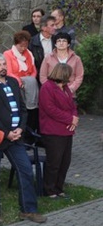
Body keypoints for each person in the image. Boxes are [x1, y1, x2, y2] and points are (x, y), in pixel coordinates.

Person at [0, 53, 47, 224]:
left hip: (16, 137)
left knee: (25, 170)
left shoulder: (12, 82)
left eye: (4, 64)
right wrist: (5, 132)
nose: (2, 67)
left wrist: (20, 129)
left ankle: (29, 210)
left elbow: (23, 109)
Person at [39, 63, 78, 198]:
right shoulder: (47, 88)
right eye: (69, 74)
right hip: (53, 130)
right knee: (54, 162)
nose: (71, 77)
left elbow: (72, 105)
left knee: (65, 161)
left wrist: (75, 117)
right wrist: (70, 119)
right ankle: (49, 189)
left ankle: (58, 187)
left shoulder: (66, 88)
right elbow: (50, 109)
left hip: (66, 130)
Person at [4, 30, 40, 133]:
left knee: (31, 82)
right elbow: (9, 72)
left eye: (25, 46)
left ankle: (32, 111)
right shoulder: (8, 54)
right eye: (21, 46)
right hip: (16, 82)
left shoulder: (29, 54)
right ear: (16, 44)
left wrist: (31, 80)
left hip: (29, 83)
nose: (23, 48)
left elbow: (33, 70)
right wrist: (20, 82)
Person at [39, 32, 83, 96]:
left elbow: (79, 76)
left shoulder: (76, 59)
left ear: (68, 44)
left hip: (69, 93)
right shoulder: (48, 58)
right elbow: (43, 76)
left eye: (64, 41)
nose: (61, 43)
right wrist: (50, 89)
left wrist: (71, 89)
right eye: (59, 41)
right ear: (55, 44)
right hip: (51, 93)